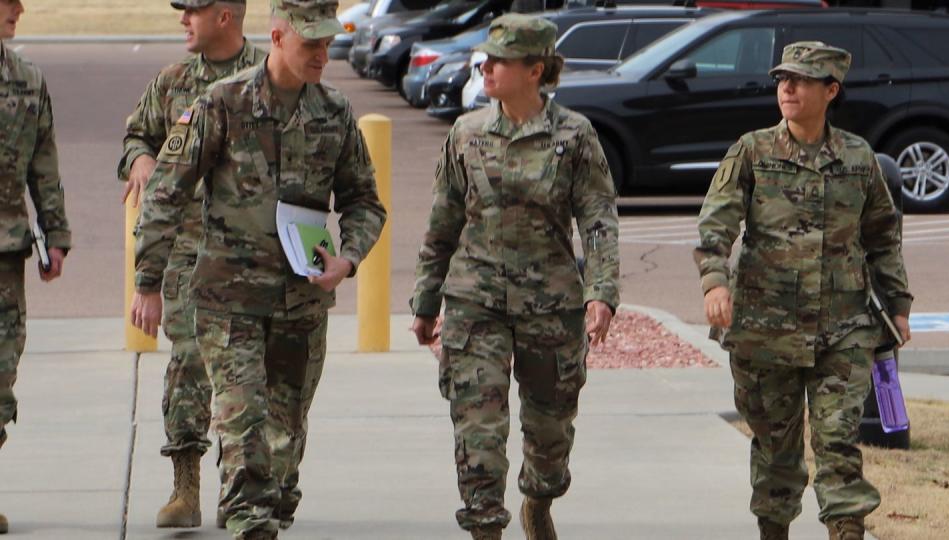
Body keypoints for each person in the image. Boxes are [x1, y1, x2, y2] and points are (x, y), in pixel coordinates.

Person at [130, 0, 386, 537]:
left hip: (303, 303)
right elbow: (165, 194)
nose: (322, 54)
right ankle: (248, 515)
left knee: (283, 448)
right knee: (246, 439)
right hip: (230, 303)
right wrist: (148, 282)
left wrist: (349, 258)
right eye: (310, 43)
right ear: (276, 36)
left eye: (327, 44)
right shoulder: (222, 103)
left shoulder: (334, 111)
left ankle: (263, 503)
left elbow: (364, 201)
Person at [410, 14, 620, 540]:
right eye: (486, 58)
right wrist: (425, 300)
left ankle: (539, 499)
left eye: (500, 60)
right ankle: (485, 526)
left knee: (550, 434)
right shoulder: (467, 133)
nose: (487, 67)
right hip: (474, 302)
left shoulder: (574, 136)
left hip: (550, 306)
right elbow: (443, 221)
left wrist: (602, 293)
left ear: (535, 69)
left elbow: (598, 220)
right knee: (478, 431)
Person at [693, 42, 912, 540]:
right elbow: (715, 226)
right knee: (776, 450)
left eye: (801, 80)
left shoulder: (858, 158)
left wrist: (898, 307)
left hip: (844, 328)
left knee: (838, 442)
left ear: (830, 90)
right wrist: (714, 282)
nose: (786, 88)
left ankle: (847, 530)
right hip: (765, 332)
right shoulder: (751, 151)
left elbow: (882, 236)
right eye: (782, 80)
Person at [117, 0, 265, 528]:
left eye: (192, 11)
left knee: (250, 376)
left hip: (252, 257)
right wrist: (141, 160)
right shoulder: (175, 81)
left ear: (224, 15)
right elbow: (136, 134)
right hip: (187, 254)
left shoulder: (268, 78)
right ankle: (186, 485)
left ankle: (241, 485)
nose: (183, 19)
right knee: (187, 365)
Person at [0, 0, 71, 534]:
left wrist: (56, 235)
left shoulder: (27, 80)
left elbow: (43, 162)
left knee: (1, 377)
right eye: (7, 2)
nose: (18, 9)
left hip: (6, 255)